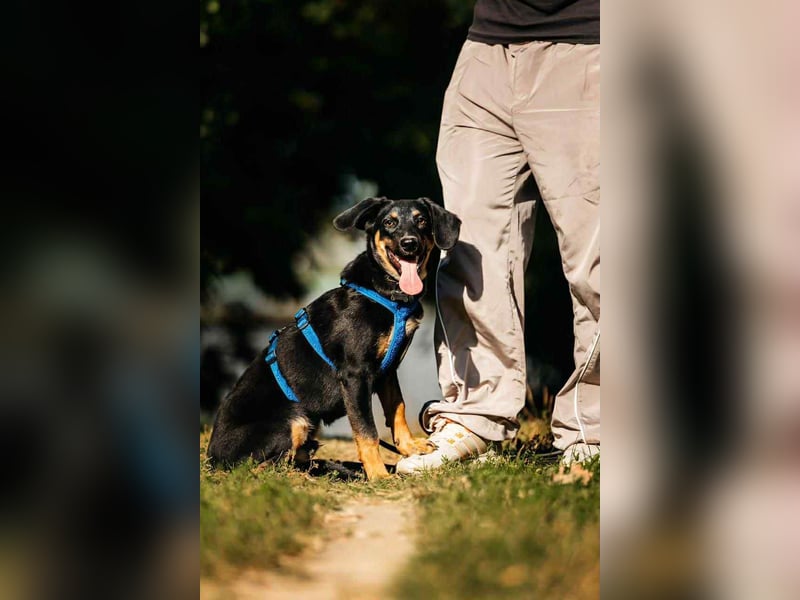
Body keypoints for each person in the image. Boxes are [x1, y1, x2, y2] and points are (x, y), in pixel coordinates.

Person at [396, 0, 600, 473]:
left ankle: (599, 425)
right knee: (468, 249)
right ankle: (474, 414)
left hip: (590, 44)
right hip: (486, 49)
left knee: (597, 259)